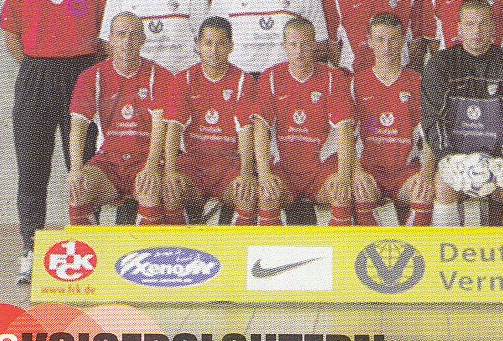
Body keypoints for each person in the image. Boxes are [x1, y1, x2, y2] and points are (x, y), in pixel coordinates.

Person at [0, 0, 112, 283]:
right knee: (33, 167)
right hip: (36, 76)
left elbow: (105, 37)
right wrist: (39, 64)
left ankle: (87, 246)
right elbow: (11, 34)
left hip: (81, 75)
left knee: (83, 165)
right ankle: (31, 249)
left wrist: (80, 68)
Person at [421, 0, 503, 228]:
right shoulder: (440, 64)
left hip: (501, 158)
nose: (477, 31)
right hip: (457, 158)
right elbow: (432, 118)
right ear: (458, 29)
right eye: (470, 24)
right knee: (443, 186)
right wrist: (446, 157)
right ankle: (446, 248)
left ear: (493, 28)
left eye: (483, 24)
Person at [252, 17, 373, 226]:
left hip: (321, 171)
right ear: (285, 46)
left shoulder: (332, 77)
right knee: (267, 195)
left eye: (305, 44)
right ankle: (272, 247)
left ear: (315, 45)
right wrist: (263, 175)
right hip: (283, 170)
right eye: (293, 44)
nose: (299, 51)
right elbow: (260, 127)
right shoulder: (271, 77)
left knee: (341, 194)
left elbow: (345, 129)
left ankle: (339, 246)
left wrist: (344, 176)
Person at [66, 12, 172, 226]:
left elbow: (161, 128)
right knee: (78, 188)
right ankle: (89, 247)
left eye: (134, 35)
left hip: (145, 161)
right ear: (110, 39)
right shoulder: (91, 77)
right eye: (121, 35)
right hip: (109, 162)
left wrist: (151, 167)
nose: (127, 41)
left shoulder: (160, 76)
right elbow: (77, 128)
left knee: (150, 190)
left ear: (143, 40)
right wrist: (76, 169)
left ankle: (146, 247)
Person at [163, 16, 258, 225]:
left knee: (247, 195)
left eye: (221, 44)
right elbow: (173, 129)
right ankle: (179, 242)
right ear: (198, 45)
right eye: (208, 43)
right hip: (194, 164)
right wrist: (170, 171)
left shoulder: (244, 80)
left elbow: (246, 132)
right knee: (170, 190)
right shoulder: (183, 79)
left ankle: (237, 244)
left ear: (231, 47)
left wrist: (246, 173)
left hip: (229, 165)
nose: (214, 50)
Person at [352, 14, 434, 226]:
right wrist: (356, 171)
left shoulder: (419, 82)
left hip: (405, 171)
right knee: (361, 192)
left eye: (393, 39)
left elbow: (430, 137)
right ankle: (371, 245)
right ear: (369, 41)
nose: (386, 47)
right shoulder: (355, 83)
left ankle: (413, 245)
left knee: (424, 192)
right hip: (369, 170)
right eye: (380, 40)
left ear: (403, 40)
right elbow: (345, 137)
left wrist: (426, 174)